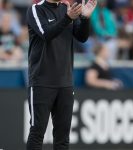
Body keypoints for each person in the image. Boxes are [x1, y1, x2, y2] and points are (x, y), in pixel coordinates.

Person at [26, 0, 97, 149]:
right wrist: (67, 18)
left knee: (63, 137)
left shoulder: (66, 8)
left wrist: (85, 18)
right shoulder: (36, 9)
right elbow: (46, 33)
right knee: (37, 133)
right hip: (42, 81)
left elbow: (82, 37)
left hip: (65, 82)